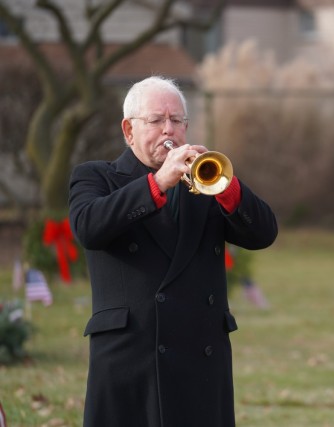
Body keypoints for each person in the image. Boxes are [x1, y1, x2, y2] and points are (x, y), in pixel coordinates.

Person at [68, 76, 278, 426]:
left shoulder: (204, 180)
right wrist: (157, 183)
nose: (169, 130)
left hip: (200, 360)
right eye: (156, 120)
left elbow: (264, 232)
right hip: (129, 361)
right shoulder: (95, 177)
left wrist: (226, 189)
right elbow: (89, 227)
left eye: (177, 120)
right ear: (129, 130)